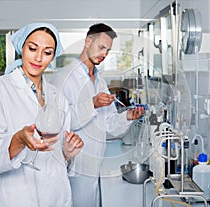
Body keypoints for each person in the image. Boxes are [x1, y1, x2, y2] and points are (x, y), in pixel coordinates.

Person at [0, 22, 84, 207]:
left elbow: (59, 153)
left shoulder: (58, 97)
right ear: (22, 48)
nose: (39, 57)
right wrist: (18, 140)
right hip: (17, 196)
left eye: (47, 52)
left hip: (56, 194)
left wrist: (67, 152)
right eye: (32, 48)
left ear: (53, 57)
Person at [52, 23, 145, 207]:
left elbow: (107, 123)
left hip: (95, 163)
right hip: (75, 165)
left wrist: (127, 116)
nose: (104, 54)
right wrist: (91, 104)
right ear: (87, 42)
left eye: (108, 50)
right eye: (101, 47)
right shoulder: (63, 78)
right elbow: (56, 122)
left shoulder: (99, 80)